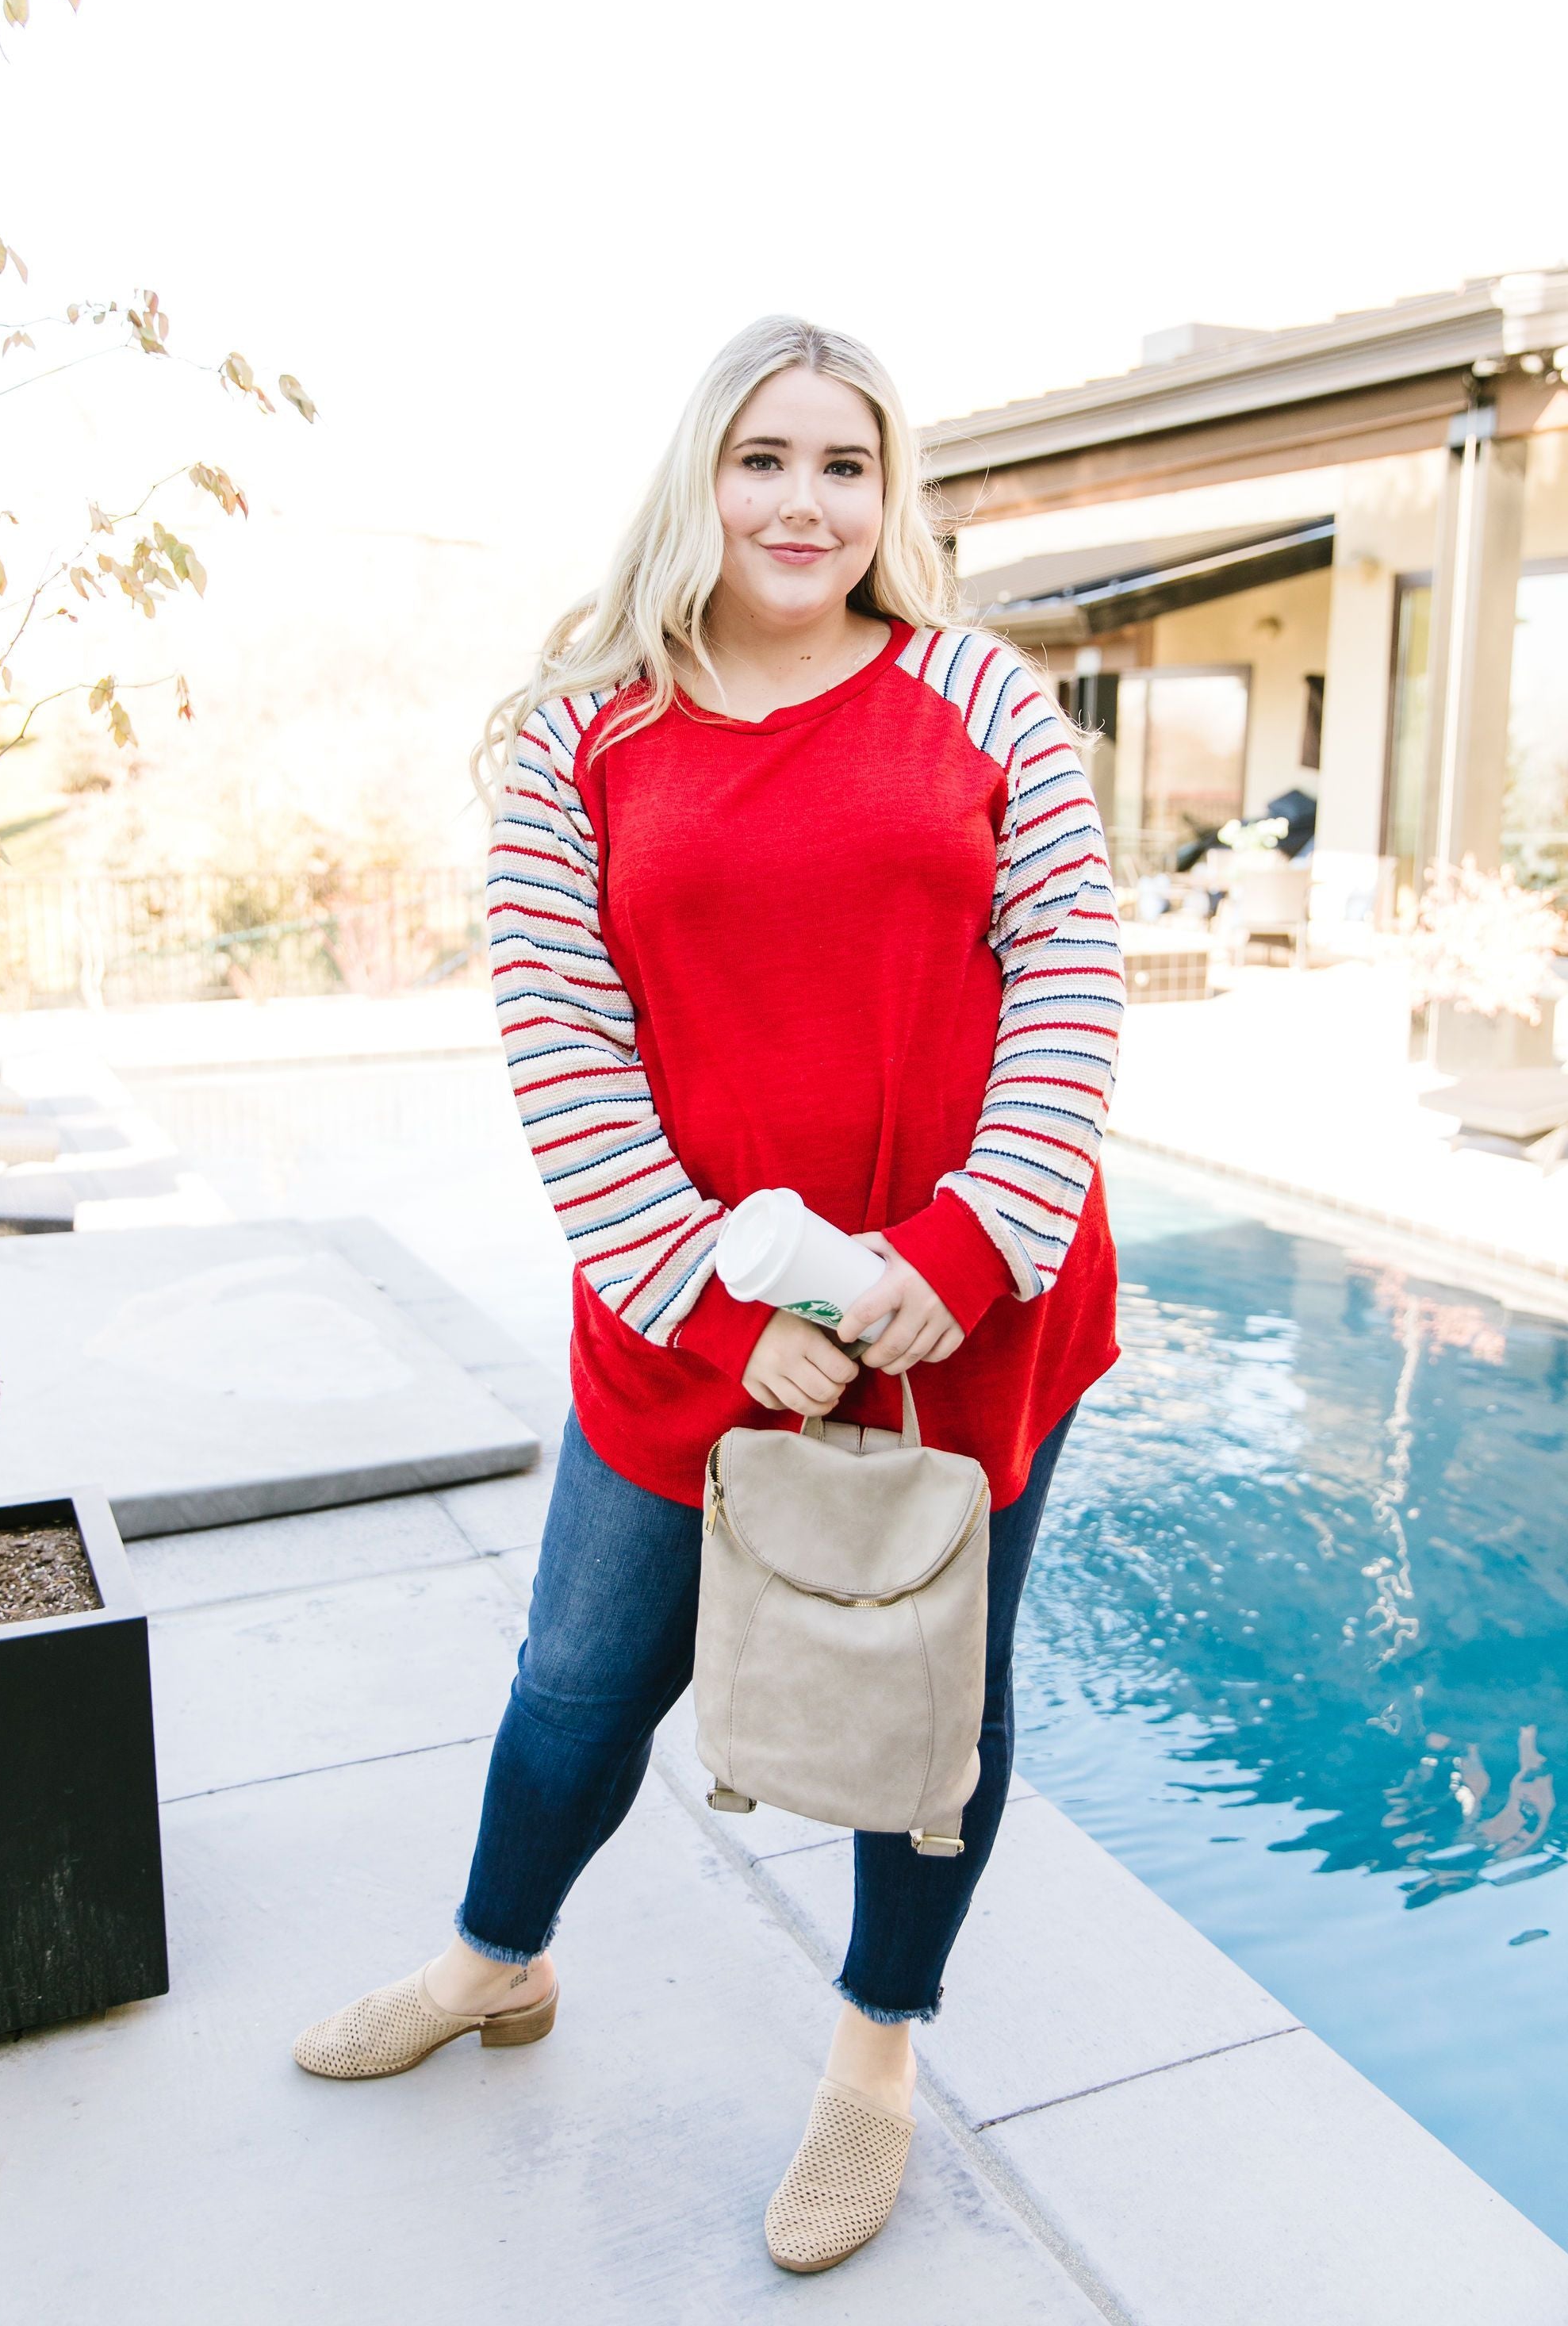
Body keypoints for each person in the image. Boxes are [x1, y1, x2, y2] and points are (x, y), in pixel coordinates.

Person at [291, 316, 1125, 2274]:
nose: (805, 500)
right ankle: (497, 1962)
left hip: (970, 1325)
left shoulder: (985, 702)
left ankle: (873, 2061)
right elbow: (563, 1055)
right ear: (702, 474)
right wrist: (723, 1310)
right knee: (583, 1680)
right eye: (768, 457)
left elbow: (1074, 996)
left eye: (848, 464)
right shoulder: (578, 732)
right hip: (689, 1330)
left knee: (935, 1707)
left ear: (888, 496)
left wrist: (947, 1257)